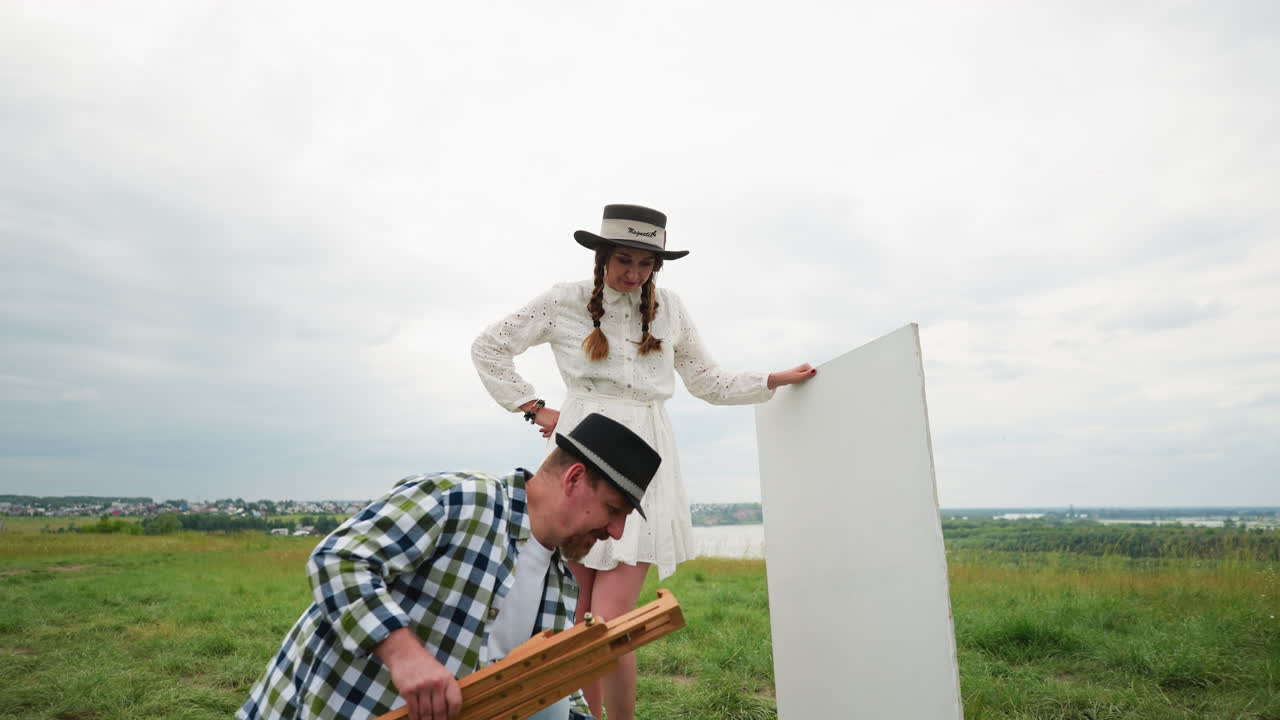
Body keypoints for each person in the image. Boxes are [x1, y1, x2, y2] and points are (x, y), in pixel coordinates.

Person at [471, 203, 816, 720]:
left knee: (609, 623)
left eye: (645, 263)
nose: (633, 274)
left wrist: (771, 380)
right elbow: (490, 346)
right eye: (623, 260)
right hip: (580, 452)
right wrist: (534, 407)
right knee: (573, 616)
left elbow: (707, 381)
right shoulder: (563, 300)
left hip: (644, 460)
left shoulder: (670, 310)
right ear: (603, 257)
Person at [237, 412, 662, 720]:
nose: (618, 531)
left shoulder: (559, 587)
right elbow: (340, 559)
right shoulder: (461, 500)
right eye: (613, 509)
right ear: (573, 479)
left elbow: (555, 694)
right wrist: (405, 655)